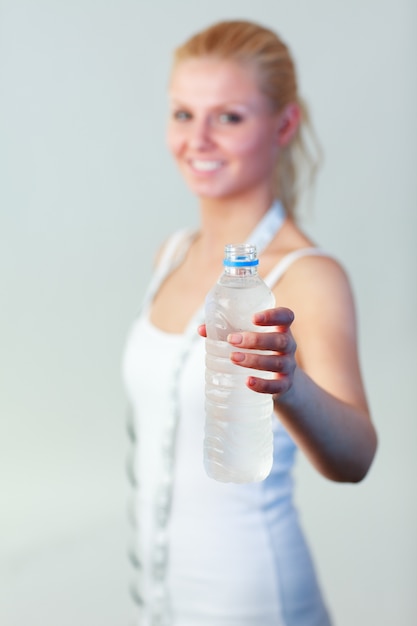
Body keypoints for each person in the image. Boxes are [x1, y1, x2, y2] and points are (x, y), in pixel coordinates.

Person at [122, 19, 377, 626]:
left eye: (228, 117)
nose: (198, 139)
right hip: (159, 603)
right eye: (183, 114)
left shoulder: (307, 275)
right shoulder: (173, 255)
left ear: (283, 126)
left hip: (254, 601)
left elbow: (357, 458)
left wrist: (289, 384)